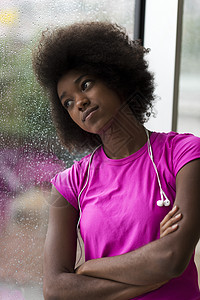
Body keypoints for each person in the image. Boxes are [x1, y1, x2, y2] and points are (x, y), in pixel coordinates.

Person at [32, 22, 200, 299]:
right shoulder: (68, 185)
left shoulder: (184, 154)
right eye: (68, 103)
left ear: (116, 77)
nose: (80, 103)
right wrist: (150, 279)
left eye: (85, 85)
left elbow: (171, 257)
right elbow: (55, 288)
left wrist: (88, 268)